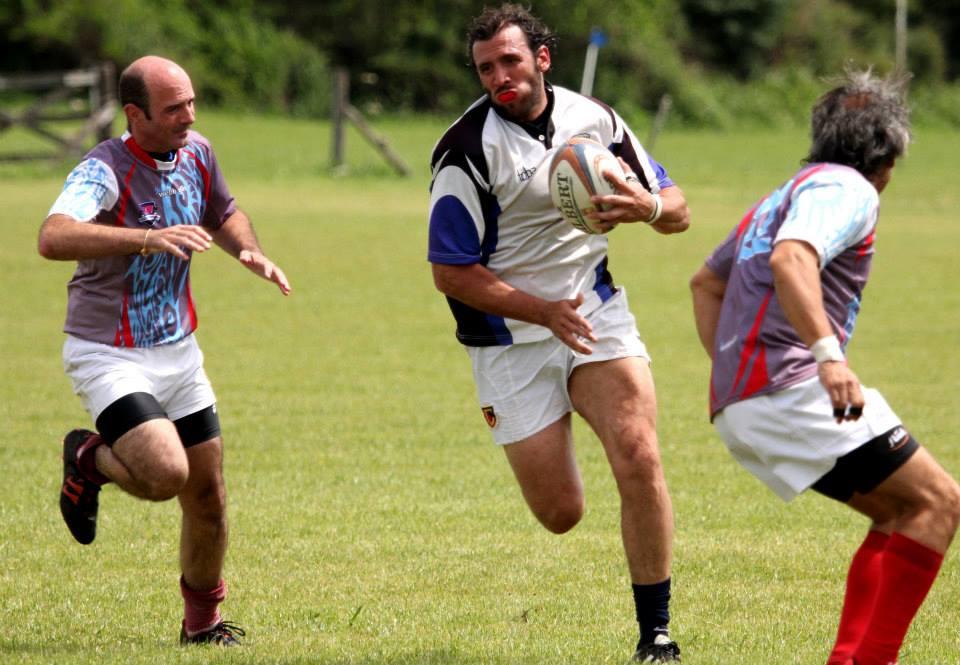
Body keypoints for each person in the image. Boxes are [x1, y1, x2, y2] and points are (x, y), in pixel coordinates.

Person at [427, 5, 690, 662]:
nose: (499, 76)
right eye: (486, 68)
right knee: (561, 511)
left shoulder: (594, 120)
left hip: (593, 309)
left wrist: (646, 205)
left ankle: (655, 633)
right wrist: (541, 312)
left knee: (639, 453)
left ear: (541, 59)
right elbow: (449, 272)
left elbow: (677, 211)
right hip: (507, 337)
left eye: (510, 61)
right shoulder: (464, 150)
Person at [689, 68, 960, 665]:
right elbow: (792, 258)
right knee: (939, 504)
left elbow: (706, 283)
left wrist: (738, 372)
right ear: (885, 155)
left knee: (897, 513)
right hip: (791, 386)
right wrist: (827, 356)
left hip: (748, 398)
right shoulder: (848, 191)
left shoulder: (786, 193)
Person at [39, 55, 291, 646]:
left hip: (178, 350)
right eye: (174, 107)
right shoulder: (103, 170)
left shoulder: (197, 152)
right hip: (108, 351)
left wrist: (248, 250)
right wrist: (146, 238)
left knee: (208, 493)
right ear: (136, 114)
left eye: (191, 102)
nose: (189, 115)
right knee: (164, 474)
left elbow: (223, 212)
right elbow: (52, 236)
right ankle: (87, 459)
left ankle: (201, 629)